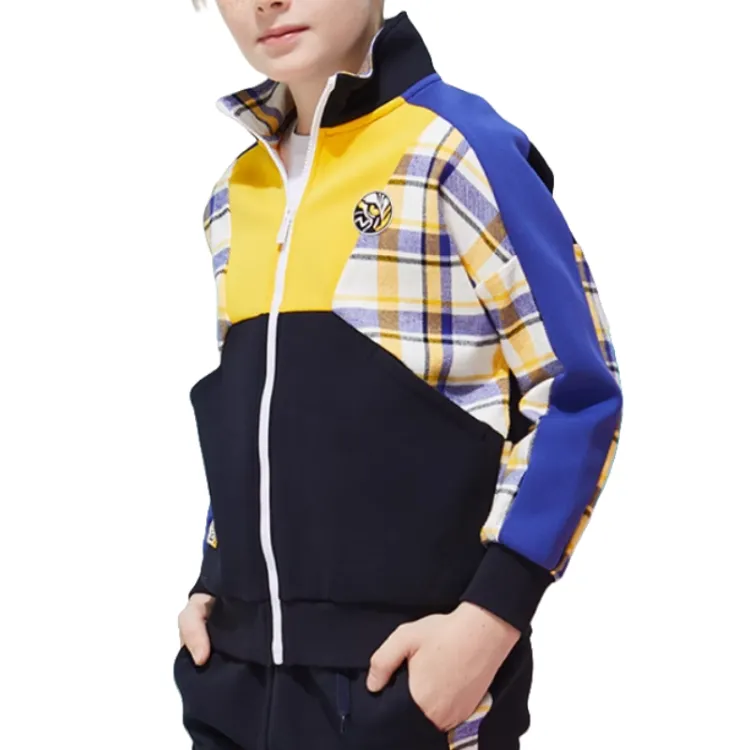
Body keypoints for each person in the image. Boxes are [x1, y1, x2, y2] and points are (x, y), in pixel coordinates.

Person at [173, 2, 624, 748]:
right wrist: (210, 578)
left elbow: (576, 394)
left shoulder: (457, 149)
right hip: (237, 683)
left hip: (404, 686)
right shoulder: (236, 194)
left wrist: (491, 619)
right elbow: (253, 418)